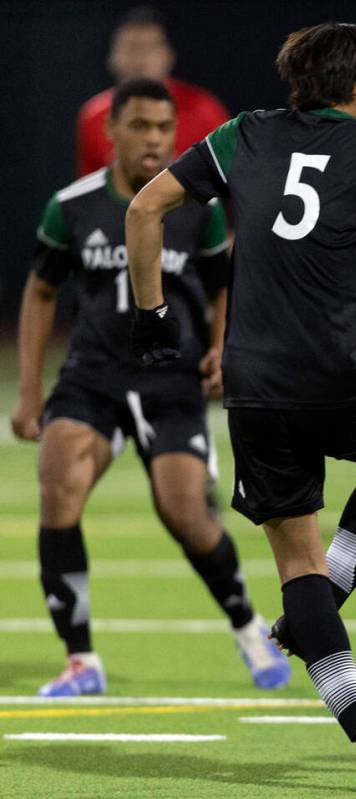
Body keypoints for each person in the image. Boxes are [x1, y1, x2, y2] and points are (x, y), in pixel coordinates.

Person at [124, 22, 356, 791]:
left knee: (293, 562)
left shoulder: (245, 135)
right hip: (345, 375)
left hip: (253, 383)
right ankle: (325, 599)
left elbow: (143, 209)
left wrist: (151, 316)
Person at [11, 78, 289, 696]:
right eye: (140, 126)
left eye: (164, 127)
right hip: (93, 377)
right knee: (59, 490)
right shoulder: (73, 205)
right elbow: (40, 291)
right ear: (110, 130)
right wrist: (31, 392)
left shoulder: (198, 207)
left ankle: (248, 628)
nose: (155, 139)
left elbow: (223, 282)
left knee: (184, 512)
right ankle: (81, 661)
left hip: (172, 377)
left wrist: (221, 347)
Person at [76, 6, 230, 176]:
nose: (140, 59)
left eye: (150, 47)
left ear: (168, 56)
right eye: (131, 48)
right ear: (112, 57)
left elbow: (232, 179)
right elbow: (89, 192)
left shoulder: (203, 110)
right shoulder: (93, 116)